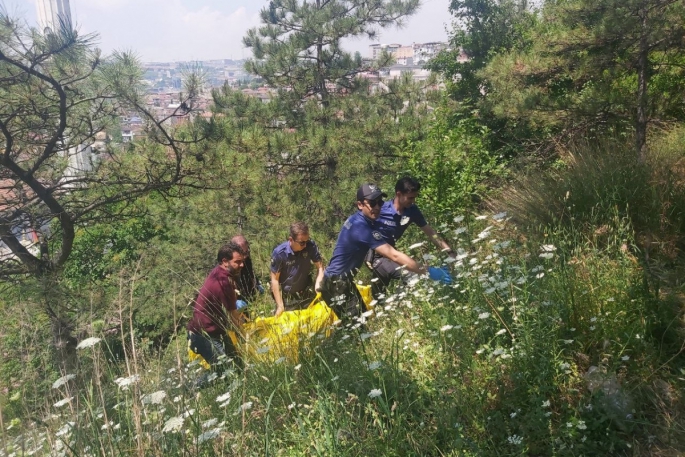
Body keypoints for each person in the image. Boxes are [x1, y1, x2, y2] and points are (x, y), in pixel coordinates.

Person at [319, 183, 451, 320]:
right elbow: (394, 255)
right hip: (335, 284)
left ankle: (386, 311)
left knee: (361, 325)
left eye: (380, 202)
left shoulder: (360, 220)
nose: (377, 207)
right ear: (360, 205)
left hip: (341, 281)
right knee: (358, 329)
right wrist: (428, 271)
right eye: (372, 203)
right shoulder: (361, 226)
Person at [368, 176, 456, 294]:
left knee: (379, 295)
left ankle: (389, 306)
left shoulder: (412, 210)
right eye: (410, 198)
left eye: (415, 197)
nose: (413, 201)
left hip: (392, 254)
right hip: (376, 256)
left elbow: (430, 232)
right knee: (411, 274)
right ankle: (397, 305)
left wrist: (448, 250)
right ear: (398, 194)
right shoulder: (381, 209)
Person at [187, 242, 246, 381]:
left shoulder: (219, 272)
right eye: (237, 262)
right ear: (225, 262)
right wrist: (244, 337)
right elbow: (233, 315)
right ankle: (193, 389)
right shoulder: (223, 281)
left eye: (242, 261)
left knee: (238, 366)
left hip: (216, 330)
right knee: (225, 372)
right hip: (203, 334)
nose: (242, 265)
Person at [270, 222, 325, 316]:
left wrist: (318, 287)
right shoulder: (280, 253)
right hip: (287, 298)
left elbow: (320, 267)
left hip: (306, 293)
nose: (305, 245)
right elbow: (274, 280)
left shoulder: (310, 246)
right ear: (291, 239)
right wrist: (280, 305)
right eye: (302, 242)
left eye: (307, 241)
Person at [231, 235, 265, 310]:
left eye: (247, 251)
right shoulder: (227, 265)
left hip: (247, 299)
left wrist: (257, 284)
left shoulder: (246, 258)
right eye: (243, 253)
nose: (245, 256)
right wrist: (234, 302)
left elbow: (250, 273)